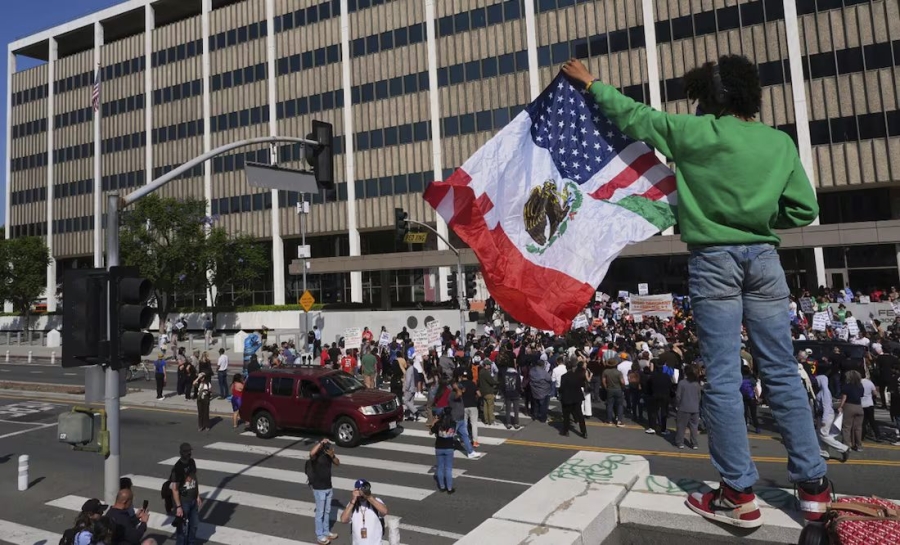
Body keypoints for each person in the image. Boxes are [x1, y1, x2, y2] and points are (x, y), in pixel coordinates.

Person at [562, 55, 831, 528]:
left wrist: (591, 85)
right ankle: (814, 490)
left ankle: (737, 494)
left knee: (725, 379)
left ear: (709, 95)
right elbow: (803, 209)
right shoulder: (779, 142)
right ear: (752, 94)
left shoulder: (693, 132)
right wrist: (761, 222)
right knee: (784, 373)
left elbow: (634, 116)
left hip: (713, 261)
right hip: (765, 261)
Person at [309, 438, 341, 545]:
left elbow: (338, 463)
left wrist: (332, 455)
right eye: (326, 446)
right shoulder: (315, 457)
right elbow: (311, 453)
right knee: (320, 513)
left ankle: (326, 532)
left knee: (327, 511)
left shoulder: (328, 455)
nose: (328, 447)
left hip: (328, 487)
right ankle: (320, 536)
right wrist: (320, 443)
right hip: (319, 489)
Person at [169, 443, 202, 545]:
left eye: (189, 451)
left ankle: (191, 542)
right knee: (182, 529)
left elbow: (195, 479)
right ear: (181, 453)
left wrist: (197, 495)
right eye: (186, 451)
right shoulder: (177, 468)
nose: (189, 453)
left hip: (193, 500)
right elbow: (175, 489)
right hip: (183, 502)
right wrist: (178, 506)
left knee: (194, 525)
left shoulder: (192, 462)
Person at [339, 479, 389, 545]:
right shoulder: (352, 504)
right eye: (360, 489)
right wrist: (353, 501)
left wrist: (368, 497)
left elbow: (384, 511)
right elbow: (343, 520)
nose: (362, 492)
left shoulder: (376, 501)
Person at [674, 364, 702, 449]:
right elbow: (699, 396)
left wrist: (677, 405)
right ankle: (694, 443)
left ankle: (680, 442)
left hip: (684, 407)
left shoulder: (682, 383)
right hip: (695, 408)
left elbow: (678, 396)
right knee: (694, 427)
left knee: (681, 426)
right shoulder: (697, 384)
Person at [430, 408, 457, 493]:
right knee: (448, 469)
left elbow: (431, 432)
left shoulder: (438, 424)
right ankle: (449, 488)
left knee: (440, 467)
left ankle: (442, 487)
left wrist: (434, 421)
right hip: (449, 447)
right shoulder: (453, 423)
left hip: (439, 447)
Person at [559, 361, 587, 438]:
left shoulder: (564, 376)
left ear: (566, 368)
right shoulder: (578, 376)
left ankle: (566, 431)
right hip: (577, 397)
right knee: (580, 415)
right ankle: (584, 432)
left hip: (567, 397)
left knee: (566, 415)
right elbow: (582, 384)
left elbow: (562, 388)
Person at [838, 370, 865, 451]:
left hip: (849, 406)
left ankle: (846, 446)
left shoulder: (847, 386)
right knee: (858, 428)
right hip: (859, 407)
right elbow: (861, 396)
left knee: (846, 427)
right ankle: (858, 445)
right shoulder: (860, 386)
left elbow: (844, 397)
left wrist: (840, 406)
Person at [602, 359, 626, 426]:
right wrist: (623, 387)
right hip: (618, 389)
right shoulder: (618, 372)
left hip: (610, 389)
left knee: (609, 405)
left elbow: (603, 381)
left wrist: (606, 387)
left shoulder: (605, 371)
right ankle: (619, 421)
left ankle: (609, 420)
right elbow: (622, 382)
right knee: (620, 405)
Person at [478, 360, 498, 426]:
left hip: (483, 391)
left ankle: (486, 420)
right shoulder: (486, 372)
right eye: (489, 365)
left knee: (485, 406)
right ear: (486, 365)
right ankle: (491, 420)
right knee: (490, 406)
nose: (490, 366)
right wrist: (497, 382)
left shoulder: (481, 371)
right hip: (488, 391)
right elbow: (491, 381)